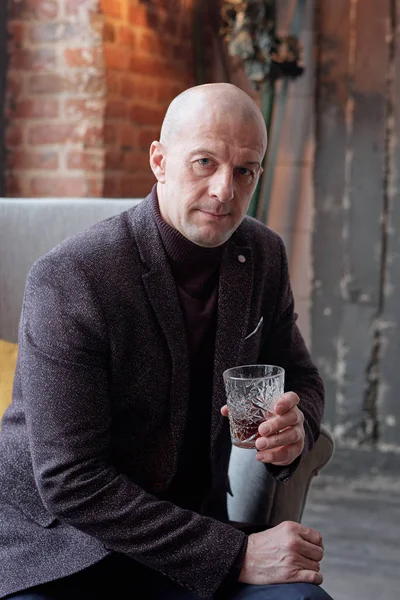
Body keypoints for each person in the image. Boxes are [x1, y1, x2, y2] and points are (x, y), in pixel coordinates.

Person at [0, 83, 333, 600]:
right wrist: (236, 554)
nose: (225, 189)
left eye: (245, 170)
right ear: (159, 160)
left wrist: (296, 427)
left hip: (189, 527)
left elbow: (301, 376)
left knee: (303, 599)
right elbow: (71, 480)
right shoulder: (73, 277)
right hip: (65, 548)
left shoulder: (262, 254)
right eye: (205, 162)